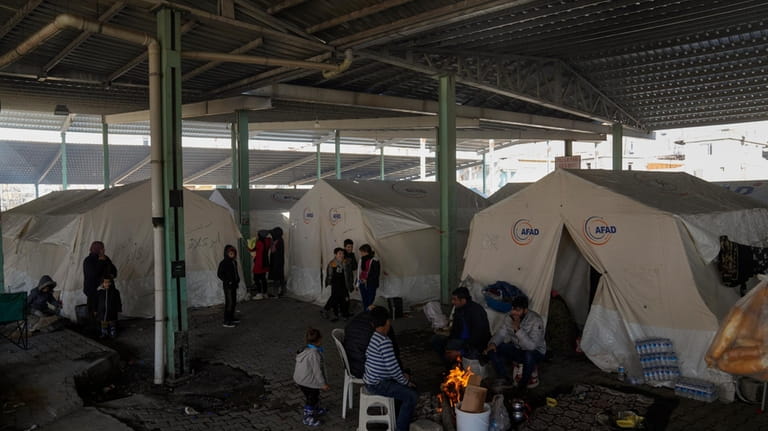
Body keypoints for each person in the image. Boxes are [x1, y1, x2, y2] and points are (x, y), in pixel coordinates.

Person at [363, 306, 418, 431]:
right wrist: (405, 381)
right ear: (388, 322)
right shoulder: (385, 341)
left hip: (371, 379)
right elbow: (393, 369)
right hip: (378, 384)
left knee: (404, 379)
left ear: (372, 324)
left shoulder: (374, 337)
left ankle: (398, 415)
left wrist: (403, 377)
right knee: (412, 396)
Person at [484, 295, 546, 390]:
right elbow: (501, 334)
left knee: (529, 355)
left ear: (525, 310)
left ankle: (522, 385)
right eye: (513, 309)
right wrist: (493, 343)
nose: (513, 312)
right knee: (494, 349)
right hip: (518, 349)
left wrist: (518, 329)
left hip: (536, 353)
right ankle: (505, 378)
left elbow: (531, 346)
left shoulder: (536, 321)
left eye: (517, 310)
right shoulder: (509, 317)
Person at [431, 286, 491, 366]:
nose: (453, 302)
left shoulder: (476, 311)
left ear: (463, 300)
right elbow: (455, 330)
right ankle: (450, 367)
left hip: (475, 344)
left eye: (455, 300)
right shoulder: (459, 309)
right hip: (460, 340)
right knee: (436, 340)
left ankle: (457, 366)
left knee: (457, 349)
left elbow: (478, 337)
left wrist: (461, 351)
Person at [343, 305, 402, 379]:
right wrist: (403, 374)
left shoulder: (355, 319)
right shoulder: (383, 328)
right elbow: (394, 354)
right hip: (370, 373)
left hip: (350, 366)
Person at [293, 327, 329, 427]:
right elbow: (317, 371)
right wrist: (323, 384)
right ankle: (307, 417)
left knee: (311, 395)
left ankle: (315, 409)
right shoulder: (314, 354)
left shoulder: (304, 349)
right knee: (312, 397)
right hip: (307, 381)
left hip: (300, 379)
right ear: (320, 339)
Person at [83, 241, 117, 319]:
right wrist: (101, 261)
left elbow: (113, 269)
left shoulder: (105, 258)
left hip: (107, 289)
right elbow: (93, 274)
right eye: (102, 248)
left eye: (103, 248)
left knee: (107, 308)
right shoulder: (88, 260)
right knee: (96, 310)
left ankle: (108, 326)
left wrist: (112, 274)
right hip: (93, 290)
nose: (104, 250)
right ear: (96, 249)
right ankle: (96, 328)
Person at [322, 247, 353, 322]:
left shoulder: (346, 262)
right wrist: (328, 282)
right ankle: (334, 313)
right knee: (335, 298)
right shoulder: (332, 263)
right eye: (339, 253)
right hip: (336, 285)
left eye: (342, 253)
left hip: (344, 284)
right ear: (335, 254)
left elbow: (349, 274)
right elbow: (329, 275)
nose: (341, 255)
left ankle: (344, 313)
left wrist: (350, 283)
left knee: (345, 298)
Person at [217, 244, 241, 328]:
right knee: (229, 303)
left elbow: (235, 273)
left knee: (233, 302)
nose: (232, 255)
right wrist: (228, 281)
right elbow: (220, 274)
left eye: (233, 253)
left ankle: (231, 317)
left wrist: (237, 279)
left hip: (234, 285)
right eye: (230, 253)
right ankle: (226, 321)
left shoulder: (234, 262)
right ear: (226, 253)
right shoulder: (223, 263)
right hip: (228, 287)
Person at [96, 274, 122, 339]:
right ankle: (104, 333)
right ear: (102, 283)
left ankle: (113, 332)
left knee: (112, 321)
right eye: (105, 282)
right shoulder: (100, 292)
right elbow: (96, 302)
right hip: (102, 311)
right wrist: (96, 310)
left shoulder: (115, 292)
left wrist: (119, 309)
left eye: (108, 282)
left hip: (112, 310)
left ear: (111, 283)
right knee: (103, 322)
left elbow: (118, 301)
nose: (107, 284)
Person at [248, 230, 271, 300]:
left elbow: (251, 249)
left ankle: (259, 294)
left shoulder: (259, 242)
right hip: (265, 262)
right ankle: (265, 293)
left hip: (259, 263)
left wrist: (250, 243)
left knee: (256, 279)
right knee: (263, 279)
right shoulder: (268, 241)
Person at [357, 244, 381, 311]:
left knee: (370, 299)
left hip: (371, 283)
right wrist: (357, 282)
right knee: (364, 298)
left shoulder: (375, 260)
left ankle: (370, 312)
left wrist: (367, 280)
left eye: (361, 252)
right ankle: (366, 311)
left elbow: (376, 274)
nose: (360, 253)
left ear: (366, 251)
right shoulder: (361, 259)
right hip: (362, 282)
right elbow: (359, 271)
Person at [269, 227, 286, 297]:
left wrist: (272, 244)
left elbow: (273, 250)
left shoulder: (277, 240)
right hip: (279, 260)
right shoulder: (280, 239)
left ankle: (277, 292)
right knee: (280, 276)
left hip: (276, 261)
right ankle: (281, 291)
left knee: (276, 276)